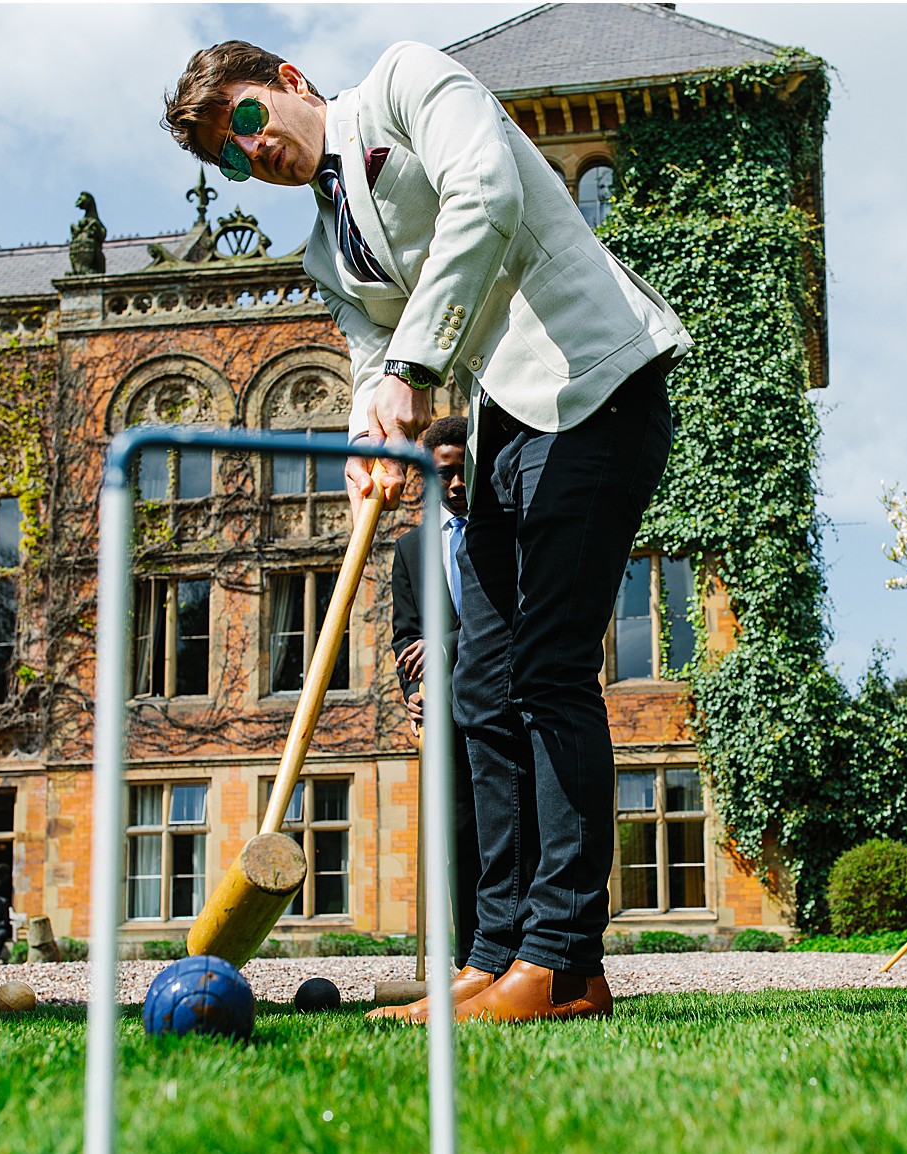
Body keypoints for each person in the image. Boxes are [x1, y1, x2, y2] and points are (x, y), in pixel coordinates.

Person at [164, 38, 691, 1022]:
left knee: (548, 672)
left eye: (243, 123)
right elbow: (372, 359)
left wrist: (412, 368)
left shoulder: (407, 81)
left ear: (285, 82)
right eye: (229, 160)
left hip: (595, 382)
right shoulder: (327, 245)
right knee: (479, 685)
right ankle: (495, 953)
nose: (252, 155)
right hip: (508, 419)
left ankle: (565, 960)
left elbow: (484, 196)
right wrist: (371, 428)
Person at [372, 417, 479, 1005]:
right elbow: (405, 635)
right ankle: (471, 960)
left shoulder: (498, 532)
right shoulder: (411, 549)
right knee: (457, 831)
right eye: (445, 474)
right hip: (443, 711)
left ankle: (516, 951)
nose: (456, 483)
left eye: (463, 470)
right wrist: (412, 689)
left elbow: (504, 626)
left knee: (504, 829)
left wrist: (447, 648)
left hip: (500, 700)